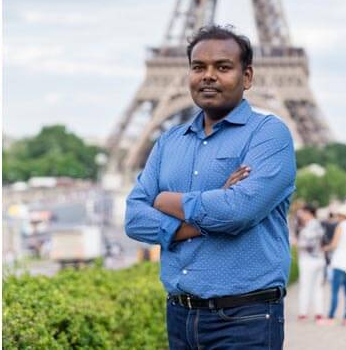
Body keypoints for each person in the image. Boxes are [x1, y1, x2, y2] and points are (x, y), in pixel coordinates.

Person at [124, 25, 296, 350]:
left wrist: (164, 200)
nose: (209, 76)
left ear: (247, 77)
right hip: (180, 316)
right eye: (199, 67)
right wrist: (204, 219)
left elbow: (237, 212)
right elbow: (134, 218)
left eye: (223, 67)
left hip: (246, 318)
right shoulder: (169, 142)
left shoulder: (269, 136)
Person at [320, 202, 346, 326]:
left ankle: (331, 317)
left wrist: (324, 248)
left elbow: (334, 245)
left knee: (335, 291)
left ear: (342, 215)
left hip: (340, 262)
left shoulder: (341, 226)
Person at [296, 204, 326, 320]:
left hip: (308, 260)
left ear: (308, 213)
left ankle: (303, 313)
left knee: (305, 286)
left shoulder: (311, 225)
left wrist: (297, 243)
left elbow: (308, 243)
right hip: (319, 259)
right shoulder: (318, 224)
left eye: (303, 213)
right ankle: (319, 312)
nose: (302, 215)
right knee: (317, 287)